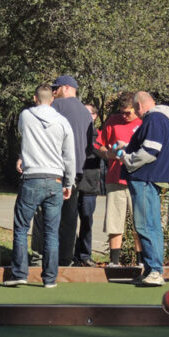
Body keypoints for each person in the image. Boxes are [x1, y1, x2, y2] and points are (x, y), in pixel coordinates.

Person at [5, 84, 75, 288]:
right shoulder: (62, 121)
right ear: (52, 99)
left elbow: (24, 135)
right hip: (55, 179)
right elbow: (69, 156)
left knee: (21, 228)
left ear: (35, 98)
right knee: (51, 232)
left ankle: (19, 273)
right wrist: (69, 182)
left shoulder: (26, 116)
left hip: (32, 177)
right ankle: (50, 278)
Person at [111, 92, 169, 287]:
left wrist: (127, 158)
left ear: (139, 105)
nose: (135, 113)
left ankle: (155, 270)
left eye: (135, 108)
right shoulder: (162, 119)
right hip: (150, 178)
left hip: (144, 178)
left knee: (145, 225)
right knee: (151, 225)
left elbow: (150, 151)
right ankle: (151, 270)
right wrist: (128, 146)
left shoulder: (154, 119)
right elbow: (150, 145)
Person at [30, 75, 93, 267]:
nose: (53, 92)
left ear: (66, 88)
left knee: (43, 213)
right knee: (69, 218)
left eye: (56, 89)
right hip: (75, 172)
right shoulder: (86, 113)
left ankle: (39, 256)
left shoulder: (55, 106)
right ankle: (65, 259)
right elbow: (90, 145)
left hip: (52, 169)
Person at [94, 91, 143, 267]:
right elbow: (98, 144)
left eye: (127, 112)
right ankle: (114, 262)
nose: (124, 116)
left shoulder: (144, 122)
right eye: (121, 112)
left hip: (138, 179)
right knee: (114, 222)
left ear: (136, 108)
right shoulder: (113, 121)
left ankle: (141, 262)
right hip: (115, 178)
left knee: (140, 224)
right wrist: (107, 153)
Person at [74, 104, 101, 266]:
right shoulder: (74, 133)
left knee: (86, 220)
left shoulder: (98, 136)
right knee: (69, 220)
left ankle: (85, 255)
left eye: (87, 112)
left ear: (95, 116)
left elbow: (102, 152)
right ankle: (72, 254)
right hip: (73, 182)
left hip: (89, 184)